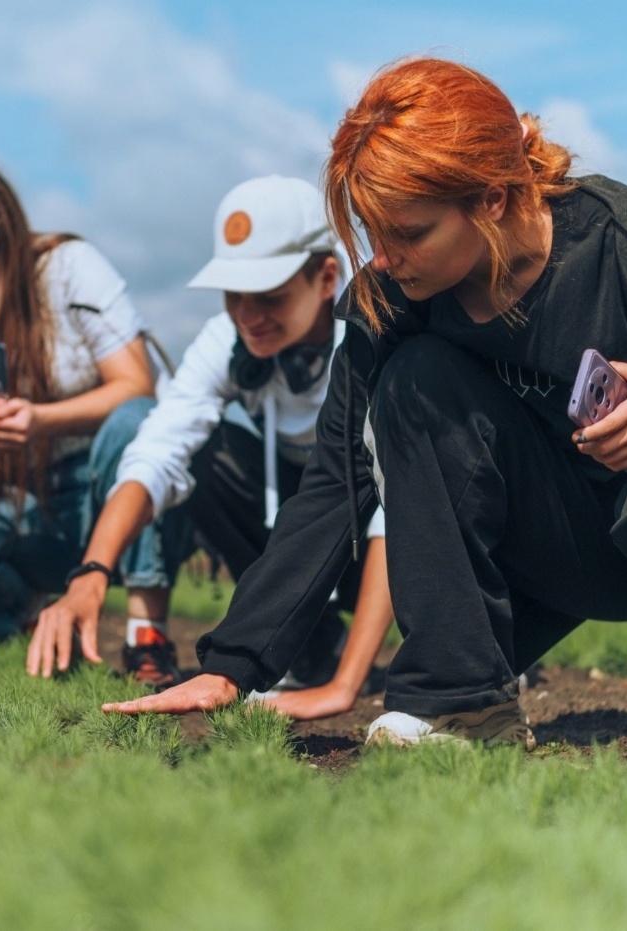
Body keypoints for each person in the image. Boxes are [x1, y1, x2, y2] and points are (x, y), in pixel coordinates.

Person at [101, 57, 627, 754]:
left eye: (408, 233)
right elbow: (334, 483)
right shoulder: (390, 306)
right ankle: (462, 700)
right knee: (412, 379)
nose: (384, 257)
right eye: (371, 231)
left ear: (492, 199)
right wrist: (232, 663)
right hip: (565, 550)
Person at [27, 175, 394, 704]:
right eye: (233, 295)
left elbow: (396, 510)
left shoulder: (376, 336)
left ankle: (454, 645)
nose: (247, 316)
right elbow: (157, 451)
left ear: (327, 277)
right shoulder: (227, 342)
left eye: (267, 296)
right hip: (297, 543)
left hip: (386, 541)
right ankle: (312, 644)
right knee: (199, 455)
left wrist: (346, 687)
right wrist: (92, 573)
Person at [0, 146, 163, 657]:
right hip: (21, 502)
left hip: (103, 492)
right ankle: (28, 621)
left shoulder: (68, 267)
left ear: (11, 234)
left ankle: (148, 635)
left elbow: (136, 385)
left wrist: (41, 421)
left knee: (138, 422)